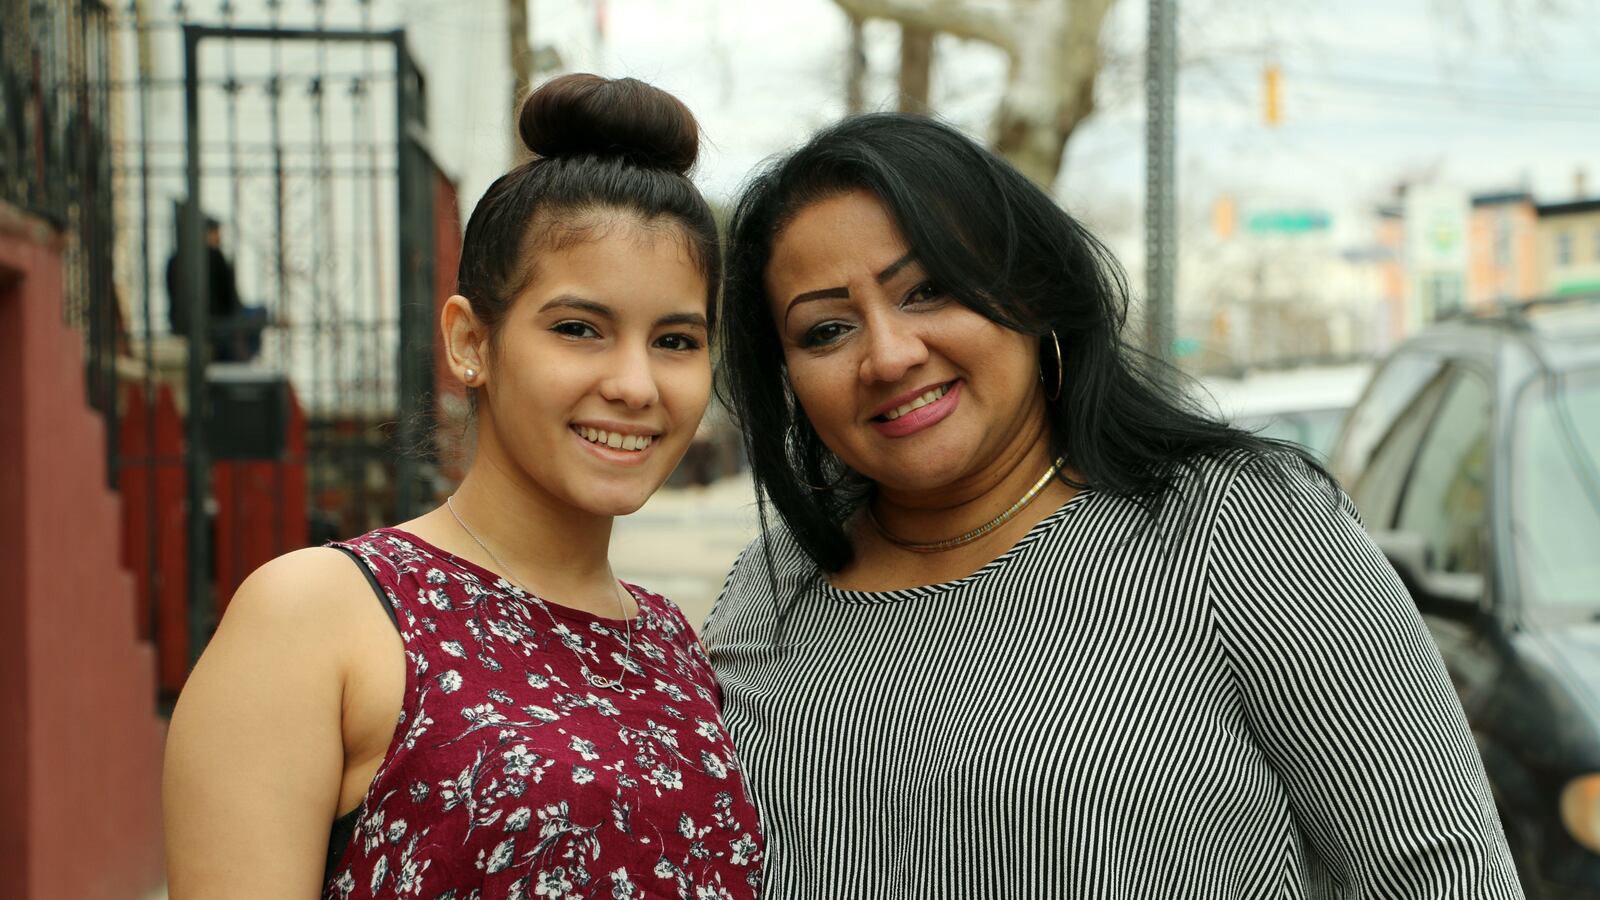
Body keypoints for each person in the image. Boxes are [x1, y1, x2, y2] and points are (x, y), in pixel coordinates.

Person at [704, 113, 1522, 898]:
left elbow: (1440, 870)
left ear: (1031, 293)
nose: (888, 354)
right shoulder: (768, 593)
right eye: (825, 331)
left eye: (927, 291)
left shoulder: (1234, 526)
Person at [164, 74, 764, 899]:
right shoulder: (315, 616)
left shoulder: (671, 645)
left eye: (675, 340)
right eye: (579, 329)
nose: (635, 384)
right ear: (469, 341)